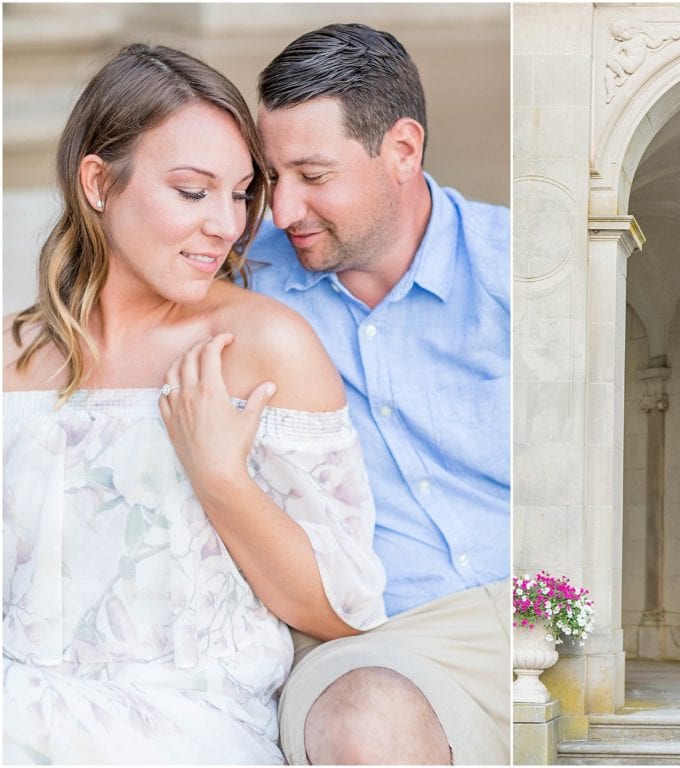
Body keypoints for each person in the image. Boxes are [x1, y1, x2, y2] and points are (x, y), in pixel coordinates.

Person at [2, 44, 386, 764]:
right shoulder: (11, 360)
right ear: (96, 182)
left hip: (187, 732)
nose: (228, 224)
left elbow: (342, 612)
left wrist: (221, 478)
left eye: (241, 193)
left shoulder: (266, 347)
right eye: (192, 190)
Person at [220, 22, 510, 765]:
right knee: (362, 723)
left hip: (547, 607)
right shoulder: (239, 286)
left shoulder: (524, 266)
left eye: (313, 177)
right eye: (271, 178)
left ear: (402, 152)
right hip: (380, 641)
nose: (282, 211)